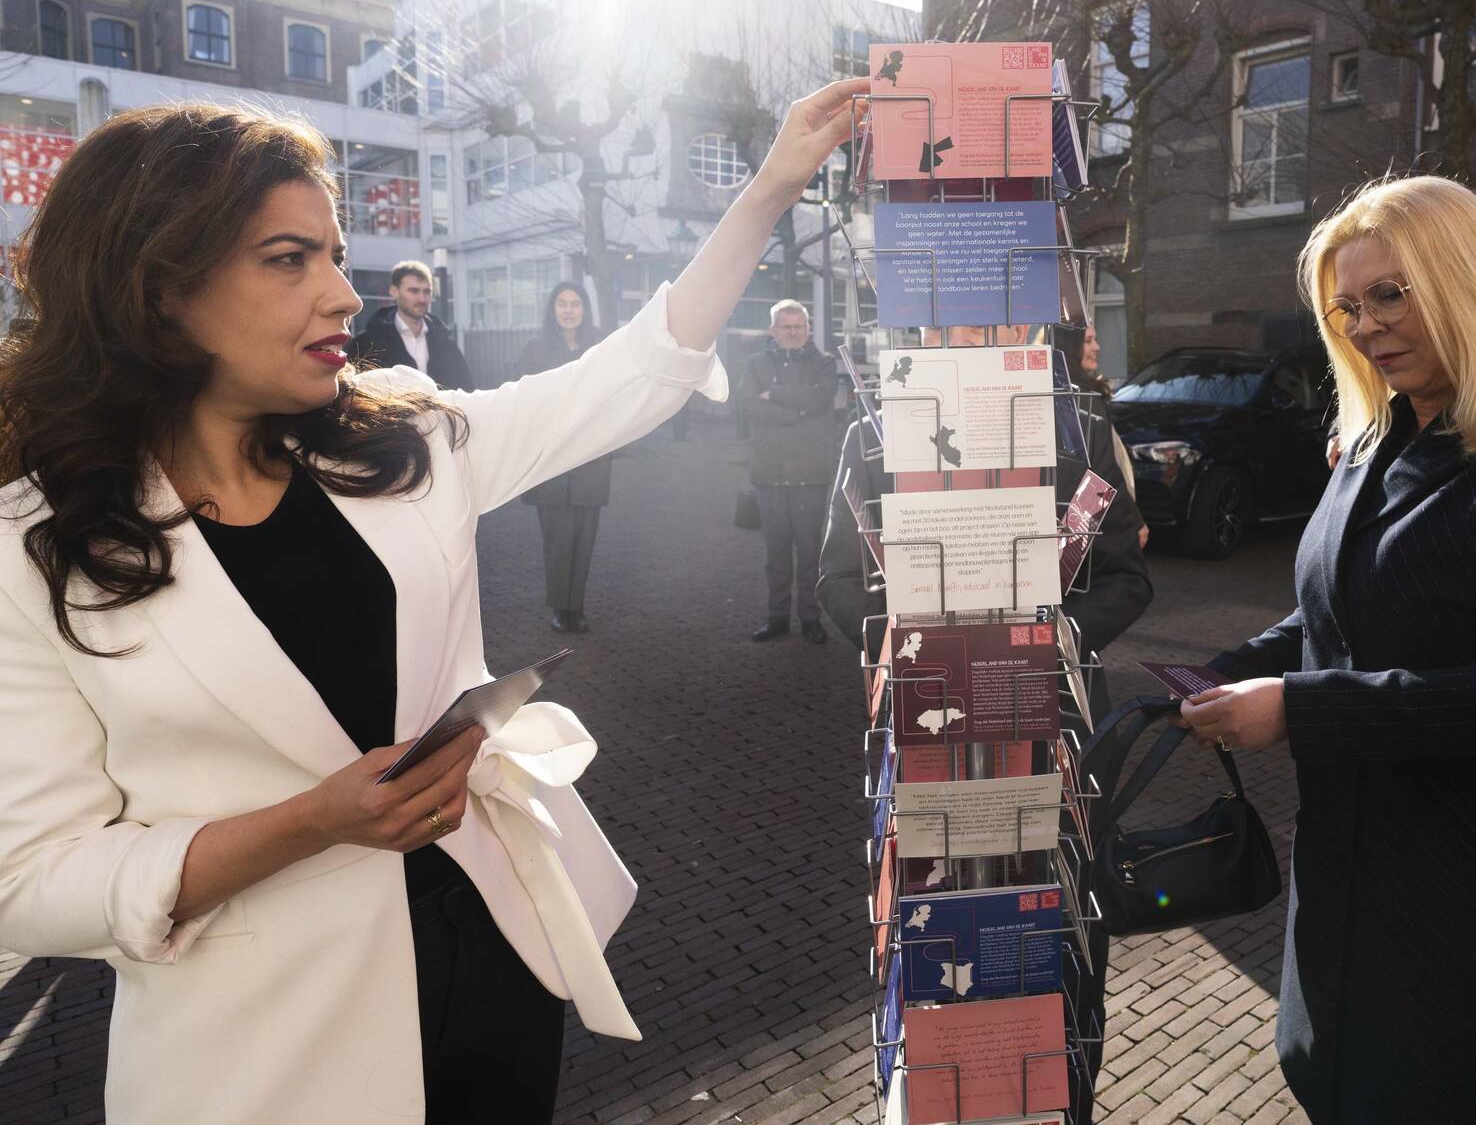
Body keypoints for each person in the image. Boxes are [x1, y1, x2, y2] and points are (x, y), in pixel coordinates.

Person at [0, 81, 864, 1124]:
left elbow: (633, 373)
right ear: (155, 290)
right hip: (267, 1055)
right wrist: (308, 823)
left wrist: (770, 188)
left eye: (334, 252)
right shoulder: (34, 539)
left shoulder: (401, 436)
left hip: (492, 965)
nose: (343, 294)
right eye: (289, 260)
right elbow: (31, 876)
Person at [1178, 176, 1476, 1122]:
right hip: (1356, 855)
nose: (1366, 326)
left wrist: (1298, 708)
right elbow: (1335, 619)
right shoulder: (1374, 444)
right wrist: (1217, 677)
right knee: (1332, 1075)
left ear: (1474, 283)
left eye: (1392, 293)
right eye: (1347, 307)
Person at [816, 324, 1152, 1125]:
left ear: (1028, 322)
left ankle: (1065, 1105)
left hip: (1055, 727)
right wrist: (919, 653)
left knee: (1062, 942)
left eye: (996, 316)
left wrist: (1040, 650)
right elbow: (838, 582)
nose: (972, 330)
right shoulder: (875, 429)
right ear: (917, 323)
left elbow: (1127, 578)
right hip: (932, 735)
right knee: (932, 939)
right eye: (949, 316)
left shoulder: (1080, 426)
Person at [512, 281, 614, 634]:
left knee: (584, 538)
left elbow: (614, 396)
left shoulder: (602, 348)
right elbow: (522, 402)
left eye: (575, 304)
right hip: (552, 460)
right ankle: (560, 607)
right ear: (552, 310)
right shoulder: (535, 350)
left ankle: (577, 607)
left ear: (585, 309)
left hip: (590, 459)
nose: (569, 310)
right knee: (557, 539)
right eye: (562, 304)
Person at [743, 299, 839, 644]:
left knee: (811, 549)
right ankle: (777, 616)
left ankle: (811, 617)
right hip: (769, 471)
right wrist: (794, 414)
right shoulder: (755, 364)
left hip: (811, 471)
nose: (794, 332)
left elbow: (821, 397)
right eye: (786, 326)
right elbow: (747, 407)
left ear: (808, 328)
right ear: (773, 330)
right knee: (777, 551)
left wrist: (776, 395)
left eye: (799, 326)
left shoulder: (825, 363)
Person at [1057, 322, 1148, 548]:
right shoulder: (1086, 401)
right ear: (1069, 346)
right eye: (1088, 341)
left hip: (1077, 520)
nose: (1097, 347)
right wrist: (1133, 521)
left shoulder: (1058, 395)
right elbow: (1104, 470)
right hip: (1095, 521)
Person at [348, 260, 473, 390]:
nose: (422, 299)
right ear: (394, 291)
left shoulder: (447, 344)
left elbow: (467, 391)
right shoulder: (366, 345)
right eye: (414, 291)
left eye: (427, 291)